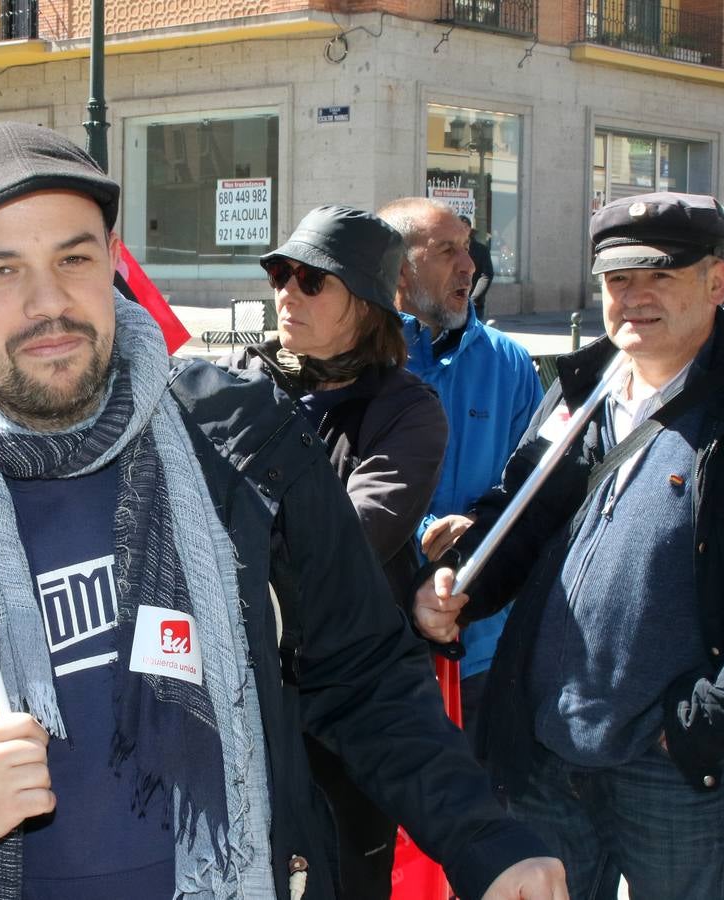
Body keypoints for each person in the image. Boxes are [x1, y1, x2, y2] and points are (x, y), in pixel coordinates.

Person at [0, 122, 566, 900]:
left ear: (110, 259)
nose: (49, 302)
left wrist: (483, 838)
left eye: (74, 258)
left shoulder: (240, 438)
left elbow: (362, 674)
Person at [413, 192, 724, 899]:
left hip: (676, 768)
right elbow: (519, 512)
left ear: (716, 283)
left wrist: (702, 725)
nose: (632, 298)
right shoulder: (582, 391)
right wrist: (459, 581)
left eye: (659, 275)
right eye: (615, 280)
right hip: (544, 752)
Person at [226, 205, 448, 898]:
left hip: (347, 706)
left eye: (311, 280)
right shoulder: (240, 382)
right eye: (279, 275)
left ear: (367, 303)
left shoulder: (407, 410)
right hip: (245, 696)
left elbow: (344, 545)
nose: (287, 292)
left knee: (348, 877)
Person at [379, 198, 542, 748]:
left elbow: (537, 486)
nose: (469, 265)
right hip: (380, 651)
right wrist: (420, 530)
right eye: (447, 249)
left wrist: (478, 527)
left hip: (483, 652)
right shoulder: (359, 358)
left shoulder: (511, 364)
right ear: (399, 266)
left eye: (468, 248)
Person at [458, 215, 495, 322]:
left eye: (464, 228)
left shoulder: (481, 250)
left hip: (474, 304)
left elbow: (486, 275)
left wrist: (473, 299)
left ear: (469, 230)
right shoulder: (450, 249)